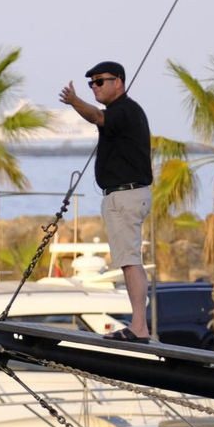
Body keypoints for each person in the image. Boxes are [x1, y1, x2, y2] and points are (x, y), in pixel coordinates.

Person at [61, 60, 152, 342]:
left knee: (129, 260)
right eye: (92, 83)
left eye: (100, 81)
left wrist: (75, 101)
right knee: (128, 259)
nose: (94, 87)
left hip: (126, 195)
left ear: (118, 82)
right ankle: (139, 325)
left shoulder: (123, 111)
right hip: (123, 195)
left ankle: (139, 327)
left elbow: (97, 118)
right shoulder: (121, 111)